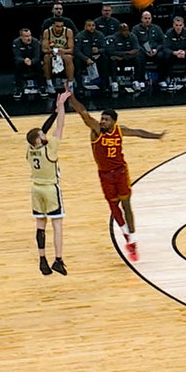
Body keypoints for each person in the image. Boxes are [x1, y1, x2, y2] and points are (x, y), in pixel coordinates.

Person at [67, 96, 166, 262]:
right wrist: (71, 98)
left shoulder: (120, 130)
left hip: (120, 172)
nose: (102, 121)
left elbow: (138, 133)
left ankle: (132, 240)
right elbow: (84, 113)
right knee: (113, 206)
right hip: (105, 174)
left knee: (126, 204)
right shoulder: (96, 131)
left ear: (113, 122)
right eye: (102, 119)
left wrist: (157, 136)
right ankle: (126, 234)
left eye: (106, 119)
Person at [28, 91, 70, 276]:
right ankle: (58, 260)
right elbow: (59, 126)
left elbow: (43, 129)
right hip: (51, 189)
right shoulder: (50, 149)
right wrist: (61, 107)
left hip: (36, 189)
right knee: (57, 225)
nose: (44, 134)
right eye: (41, 135)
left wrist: (54, 110)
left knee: (40, 225)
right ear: (39, 140)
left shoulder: (30, 149)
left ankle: (42, 259)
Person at [42, 17, 75, 94]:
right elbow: (44, 49)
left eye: (61, 26)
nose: (59, 28)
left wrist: (63, 51)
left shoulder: (68, 31)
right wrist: (51, 50)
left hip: (64, 53)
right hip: (52, 53)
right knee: (46, 58)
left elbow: (71, 50)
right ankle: (49, 84)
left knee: (68, 58)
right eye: (57, 26)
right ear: (53, 25)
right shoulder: (47, 32)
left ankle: (70, 84)